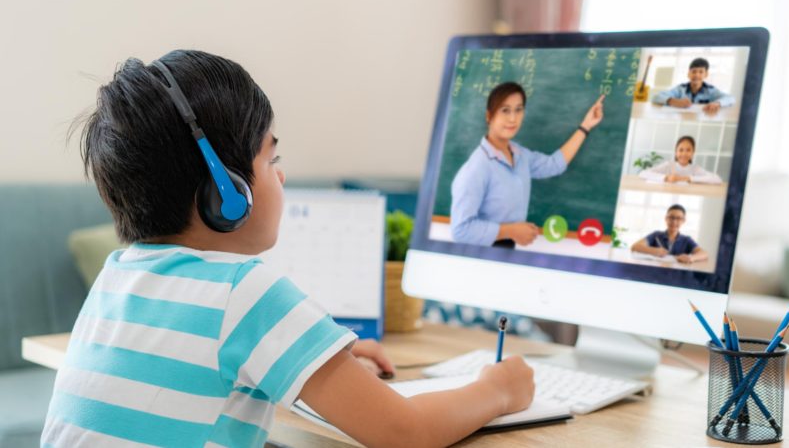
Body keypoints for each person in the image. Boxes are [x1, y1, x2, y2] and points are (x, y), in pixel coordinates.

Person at [41, 50, 534, 448]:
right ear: (227, 193)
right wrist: (496, 389)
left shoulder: (117, 274)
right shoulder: (244, 291)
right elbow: (405, 433)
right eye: (271, 155)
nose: (281, 173)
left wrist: (317, 358)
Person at [450, 82, 605, 248]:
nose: (513, 118)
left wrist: (585, 126)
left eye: (518, 109)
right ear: (489, 116)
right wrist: (510, 231)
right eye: (505, 110)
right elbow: (460, 230)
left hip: (506, 250)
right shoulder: (477, 168)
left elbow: (554, 164)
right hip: (481, 256)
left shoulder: (519, 155)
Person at [651, 57, 735, 115]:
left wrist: (717, 103)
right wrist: (673, 101)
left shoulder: (711, 90)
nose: (696, 75)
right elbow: (656, 97)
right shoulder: (680, 89)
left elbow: (731, 98)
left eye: (701, 72)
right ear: (688, 74)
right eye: (693, 71)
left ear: (706, 74)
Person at [631, 204, 708, 264]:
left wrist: (691, 258)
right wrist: (654, 251)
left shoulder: (686, 240)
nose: (674, 222)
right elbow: (635, 246)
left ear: (683, 221)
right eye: (671, 217)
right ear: (666, 218)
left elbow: (704, 254)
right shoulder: (656, 235)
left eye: (678, 218)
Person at [638, 135, 722, 184]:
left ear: (693, 152)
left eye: (688, 150)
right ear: (675, 152)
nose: (684, 154)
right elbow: (643, 173)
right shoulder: (669, 165)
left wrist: (687, 178)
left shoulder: (695, 168)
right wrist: (666, 177)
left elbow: (717, 179)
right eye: (681, 150)